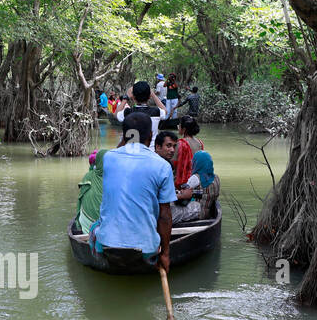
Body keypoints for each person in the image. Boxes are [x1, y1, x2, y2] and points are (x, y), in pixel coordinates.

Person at [91, 113, 176, 270]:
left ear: (124, 136)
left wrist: (127, 138)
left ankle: (100, 256)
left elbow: (122, 148)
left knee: (93, 228)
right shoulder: (163, 166)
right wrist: (165, 254)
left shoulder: (108, 158)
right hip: (146, 249)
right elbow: (165, 216)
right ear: (151, 136)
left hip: (108, 243)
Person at [173, 148, 220, 224]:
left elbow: (184, 194)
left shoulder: (195, 178)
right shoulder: (216, 178)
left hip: (197, 212)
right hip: (207, 212)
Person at [76, 148, 107, 234]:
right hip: (108, 226)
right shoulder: (114, 179)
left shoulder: (88, 176)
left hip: (87, 225)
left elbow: (80, 197)